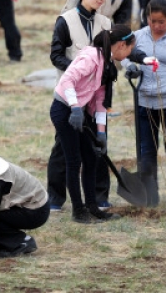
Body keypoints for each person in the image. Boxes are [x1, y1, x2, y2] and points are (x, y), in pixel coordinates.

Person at [51, 25, 135, 223]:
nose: (131, 53)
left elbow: (99, 101)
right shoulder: (90, 57)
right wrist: (75, 107)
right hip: (64, 109)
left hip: (80, 112)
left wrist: (101, 132)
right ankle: (78, 211)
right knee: (74, 160)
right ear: (122, 45)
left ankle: (92, 206)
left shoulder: (107, 64)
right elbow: (67, 80)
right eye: (131, 48)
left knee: (91, 158)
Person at [48, 0, 112, 212]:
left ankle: (99, 196)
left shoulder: (105, 23)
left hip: (95, 95)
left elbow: (113, 54)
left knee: (97, 142)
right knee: (63, 147)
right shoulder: (65, 21)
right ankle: (55, 197)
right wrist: (79, 71)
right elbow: (55, 56)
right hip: (70, 95)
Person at [123, 0, 166, 206]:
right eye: (153, 21)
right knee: (147, 149)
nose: (157, 26)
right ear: (147, 18)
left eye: (162, 21)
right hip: (144, 101)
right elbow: (124, 53)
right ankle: (149, 191)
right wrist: (129, 67)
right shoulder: (138, 36)